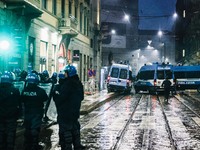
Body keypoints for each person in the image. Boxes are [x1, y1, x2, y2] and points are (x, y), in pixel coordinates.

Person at [54, 65, 85, 150]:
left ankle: (67, 147)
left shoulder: (67, 84)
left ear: (69, 74)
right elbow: (82, 97)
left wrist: (56, 94)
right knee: (75, 129)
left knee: (66, 131)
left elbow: (60, 98)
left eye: (66, 73)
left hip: (65, 113)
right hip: (75, 112)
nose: (65, 75)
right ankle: (77, 146)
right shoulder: (78, 84)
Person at [21, 73, 48, 150]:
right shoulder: (40, 91)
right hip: (37, 112)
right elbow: (45, 98)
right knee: (35, 128)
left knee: (28, 128)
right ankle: (34, 145)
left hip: (27, 112)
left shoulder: (24, 90)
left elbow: (22, 100)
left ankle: (27, 144)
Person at [0, 71, 21, 150]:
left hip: (0, 116)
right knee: (10, 133)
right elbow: (19, 103)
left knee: (1, 132)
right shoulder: (15, 90)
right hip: (11, 116)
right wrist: (19, 115)